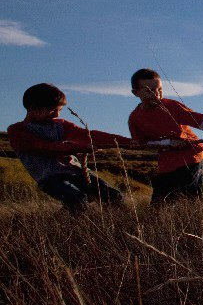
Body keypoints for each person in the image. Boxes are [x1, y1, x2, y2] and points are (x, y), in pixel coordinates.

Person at [7, 83, 141, 212]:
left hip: (78, 172)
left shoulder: (61, 125)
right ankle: (58, 228)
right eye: (52, 110)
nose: (56, 115)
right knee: (77, 201)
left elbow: (89, 136)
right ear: (34, 107)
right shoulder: (17, 131)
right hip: (50, 179)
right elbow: (43, 147)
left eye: (59, 110)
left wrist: (128, 142)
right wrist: (78, 148)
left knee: (115, 198)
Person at [128, 69, 203, 202]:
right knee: (159, 205)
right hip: (166, 165)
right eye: (149, 91)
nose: (156, 95)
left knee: (188, 201)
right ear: (136, 93)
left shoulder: (172, 106)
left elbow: (202, 121)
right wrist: (168, 143)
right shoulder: (135, 118)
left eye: (159, 90)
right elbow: (142, 144)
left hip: (190, 158)